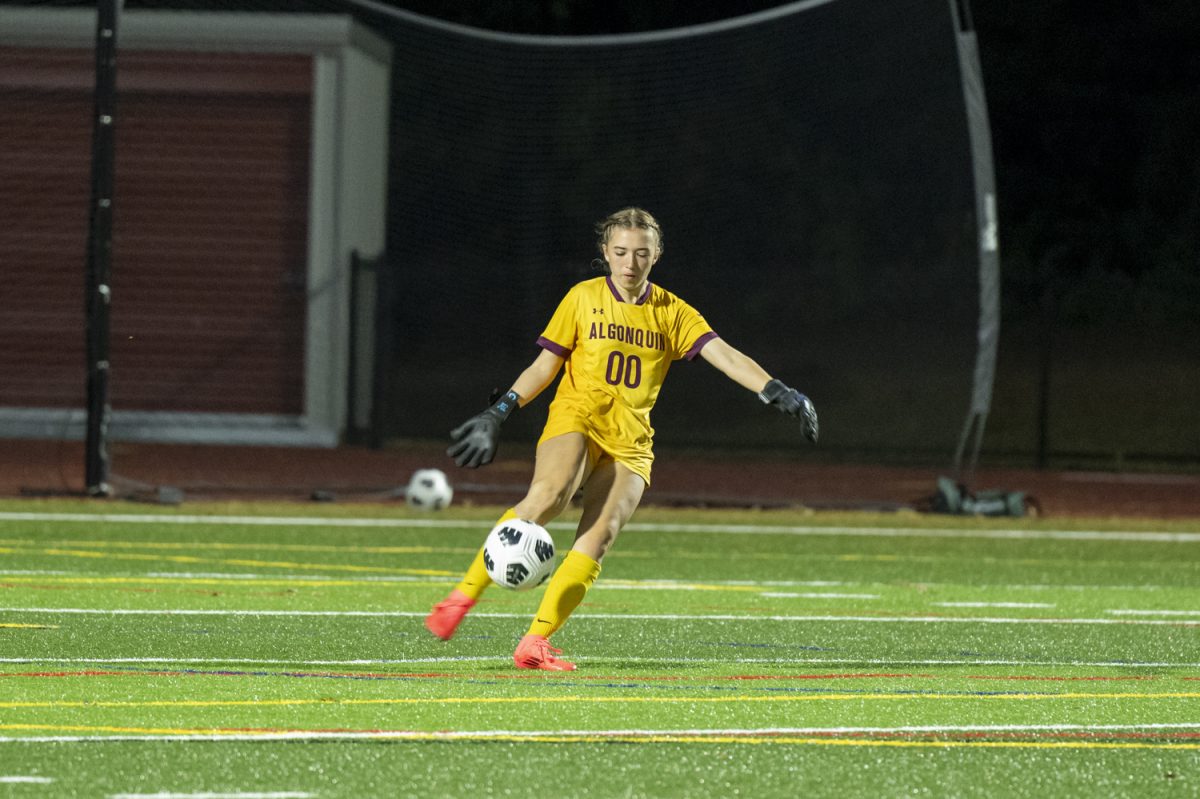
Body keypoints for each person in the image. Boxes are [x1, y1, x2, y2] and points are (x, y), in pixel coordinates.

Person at [425, 207, 818, 671]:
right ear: (605, 253)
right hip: (577, 416)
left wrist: (776, 391)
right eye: (620, 252)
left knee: (600, 535)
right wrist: (501, 410)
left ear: (657, 256)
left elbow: (725, 355)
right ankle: (458, 601)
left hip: (631, 440)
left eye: (641, 254)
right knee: (548, 497)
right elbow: (545, 366)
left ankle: (534, 641)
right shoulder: (583, 297)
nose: (630, 263)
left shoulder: (672, 312)